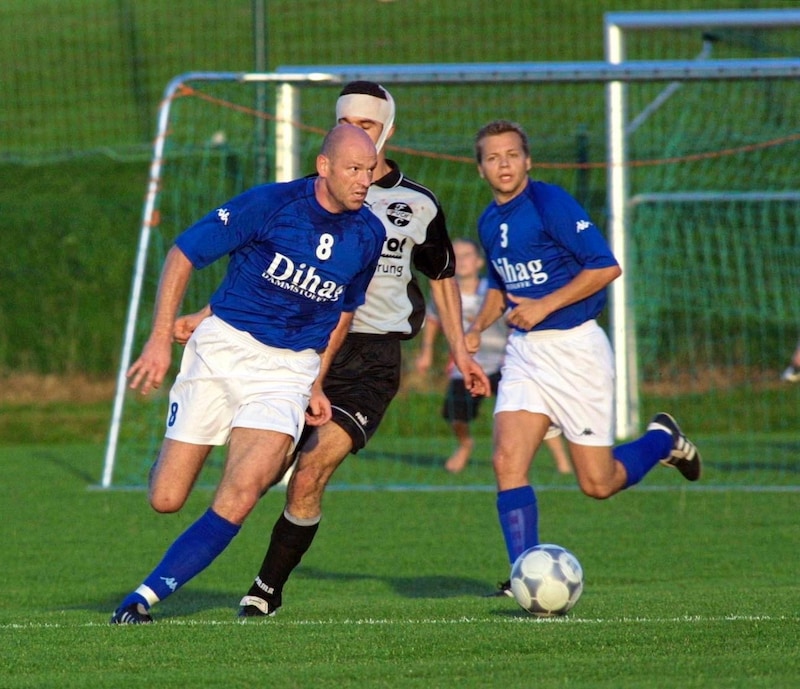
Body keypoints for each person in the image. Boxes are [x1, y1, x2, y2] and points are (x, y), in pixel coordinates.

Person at [176, 81, 490, 618]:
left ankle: (266, 588)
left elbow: (442, 277)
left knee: (312, 469)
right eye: (349, 122)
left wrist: (460, 352)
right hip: (302, 351)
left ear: (386, 131)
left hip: (370, 360)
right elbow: (267, 270)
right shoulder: (311, 193)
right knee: (256, 475)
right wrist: (207, 314)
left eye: (369, 125)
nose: (359, 134)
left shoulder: (418, 204)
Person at [109, 124, 386, 624]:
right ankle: (191, 442)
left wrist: (317, 380)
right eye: (353, 169)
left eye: (369, 170)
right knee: (167, 498)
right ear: (323, 166)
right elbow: (183, 253)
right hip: (221, 351)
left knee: (244, 491)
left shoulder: (370, 234)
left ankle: (143, 599)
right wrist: (156, 339)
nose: (364, 180)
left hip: (287, 371)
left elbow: (342, 313)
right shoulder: (270, 204)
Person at [465, 119, 702, 596]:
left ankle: (661, 440)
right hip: (526, 354)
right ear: (480, 168)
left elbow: (605, 266)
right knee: (506, 459)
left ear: (528, 161)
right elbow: (500, 286)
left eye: (512, 154)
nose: (503, 164)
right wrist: (474, 330)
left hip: (576, 349)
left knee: (597, 483)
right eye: (493, 157)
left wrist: (544, 305)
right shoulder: (489, 221)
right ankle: (523, 575)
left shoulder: (549, 203)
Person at [415, 237, 572, 475]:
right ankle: (465, 445)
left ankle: (562, 461)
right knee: (456, 414)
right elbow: (434, 320)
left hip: (505, 360)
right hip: (468, 363)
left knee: (532, 408)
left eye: (467, 255)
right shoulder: (445, 292)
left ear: (479, 262)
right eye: (455, 255)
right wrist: (426, 352)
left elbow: (515, 318)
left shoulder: (493, 291)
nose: (462, 261)